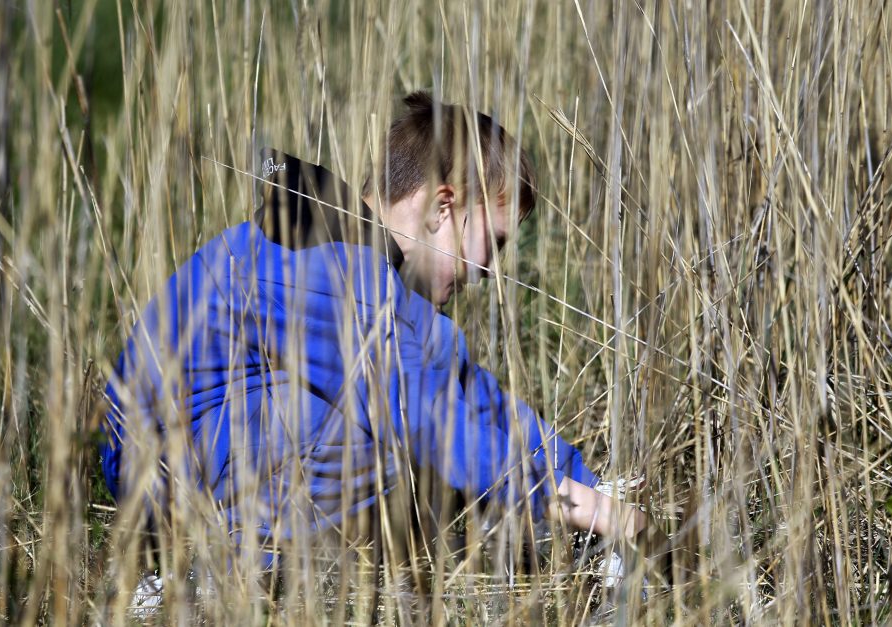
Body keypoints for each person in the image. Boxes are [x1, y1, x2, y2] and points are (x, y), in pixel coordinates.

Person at [99, 92, 645, 584]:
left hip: (222, 445)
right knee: (381, 437)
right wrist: (554, 496)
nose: (489, 273)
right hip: (159, 467)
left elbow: (475, 395)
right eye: (494, 244)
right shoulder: (332, 262)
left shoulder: (386, 288)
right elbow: (420, 413)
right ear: (442, 207)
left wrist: (591, 487)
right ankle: (201, 573)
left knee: (426, 403)